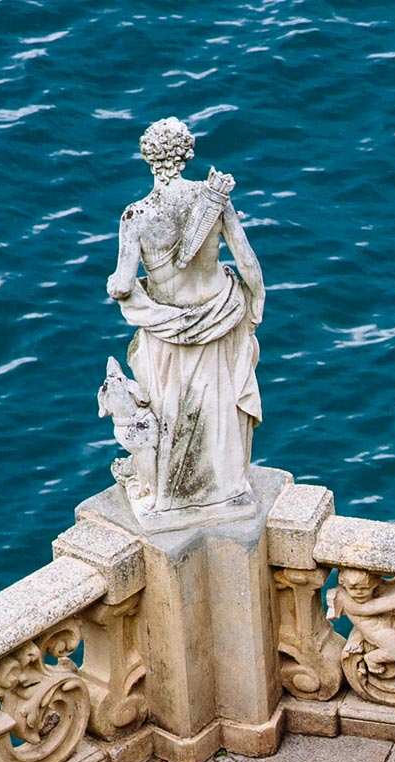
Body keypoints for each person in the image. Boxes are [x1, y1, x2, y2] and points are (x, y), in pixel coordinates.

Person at [104, 117, 265, 517]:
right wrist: (257, 300)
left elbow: (123, 284)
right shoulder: (214, 200)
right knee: (221, 404)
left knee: (171, 408)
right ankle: (226, 487)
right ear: (187, 154)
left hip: (167, 327)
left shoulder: (136, 216)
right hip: (220, 313)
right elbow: (247, 260)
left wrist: (113, 284)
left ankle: (174, 493)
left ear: (148, 157)